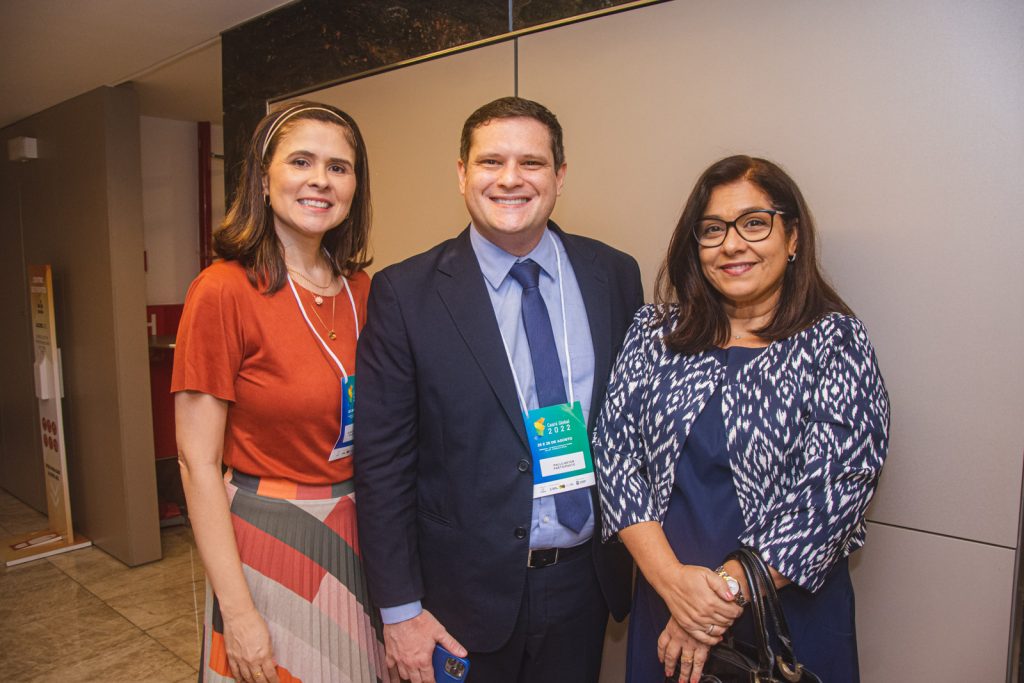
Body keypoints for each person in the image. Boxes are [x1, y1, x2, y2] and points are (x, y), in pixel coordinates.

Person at [353, 96, 644, 683]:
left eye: (532, 164)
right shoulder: (405, 294)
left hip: (583, 585)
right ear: (462, 173)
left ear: (559, 176)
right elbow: (382, 465)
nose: (510, 180)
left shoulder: (613, 274)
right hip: (457, 598)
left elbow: (636, 427)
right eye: (490, 162)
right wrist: (401, 612)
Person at [593, 155, 889, 683]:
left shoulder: (836, 342)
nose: (732, 244)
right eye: (712, 229)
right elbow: (615, 458)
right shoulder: (655, 333)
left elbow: (836, 490)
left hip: (789, 615)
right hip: (668, 599)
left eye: (754, 223)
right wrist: (676, 587)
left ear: (792, 237)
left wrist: (715, 602)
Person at [173, 101, 392, 683]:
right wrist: (239, 613)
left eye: (339, 168)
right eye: (301, 161)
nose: (321, 180)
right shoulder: (222, 291)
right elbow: (197, 464)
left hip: (362, 531)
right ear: (263, 178)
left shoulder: (366, 290)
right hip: (268, 540)